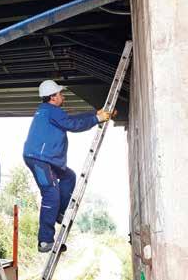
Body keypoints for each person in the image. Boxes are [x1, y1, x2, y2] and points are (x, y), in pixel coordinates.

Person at [23, 80, 113, 253]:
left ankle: (58, 213)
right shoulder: (50, 111)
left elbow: (70, 119)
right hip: (39, 159)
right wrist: (96, 119)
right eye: (59, 94)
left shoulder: (50, 111)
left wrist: (95, 113)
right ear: (53, 97)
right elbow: (72, 125)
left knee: (68, 177)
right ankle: (44, 240)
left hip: (46, 159)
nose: (62, 96)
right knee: (51, 194)